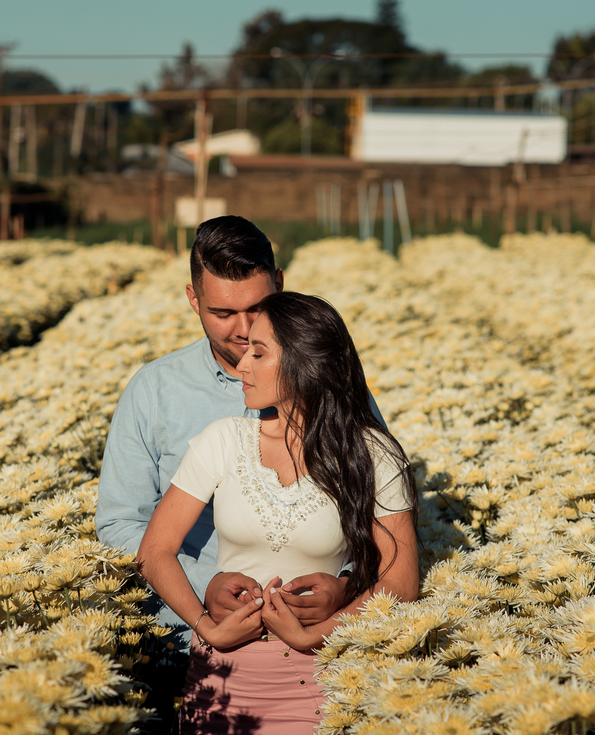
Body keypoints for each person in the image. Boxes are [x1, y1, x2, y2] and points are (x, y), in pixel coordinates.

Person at [96, 217, 375, 732]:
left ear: (282, 286)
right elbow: (120, 525)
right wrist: (209, 594)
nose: (242, 330)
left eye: (256, 308)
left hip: (323, 654)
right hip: (183, 646)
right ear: (193, 300)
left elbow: (371, 511)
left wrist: (346, 586)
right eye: (223, 312)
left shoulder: (333, 392)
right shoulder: (154, 391)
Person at [137, 292, 419, 734]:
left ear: (305, 363)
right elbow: (154, 551)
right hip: (221, 679)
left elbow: (401, 581)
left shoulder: (373, 455)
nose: (242, 365)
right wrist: (205, 626)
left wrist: (320, 632)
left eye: (259, 352)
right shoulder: (222, 440)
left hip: (327, 680)